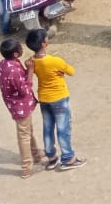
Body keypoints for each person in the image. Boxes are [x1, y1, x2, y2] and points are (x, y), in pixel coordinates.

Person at [26, 29, 85, 171]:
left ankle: (51, 157)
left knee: (47, 128)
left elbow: (29, 78)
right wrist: (61, 70)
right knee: (63, 128)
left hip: (44, 99)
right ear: (44, 43)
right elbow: (71, 71)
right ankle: (68, 158)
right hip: (59, 98)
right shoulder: (55, 61)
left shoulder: (31, 61)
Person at [0, 38, 45, 178]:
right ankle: (27, 167)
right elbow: (24, 89)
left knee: (27, 130)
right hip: (20, 106)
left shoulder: (4, 64)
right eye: (20, 47)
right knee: (24, 135)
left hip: (15, 105)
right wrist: (30, 71)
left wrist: (25, 70)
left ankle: (36, 154)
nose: (22, 47)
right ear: (16, 54)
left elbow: (16, 83)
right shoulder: (13, 70)